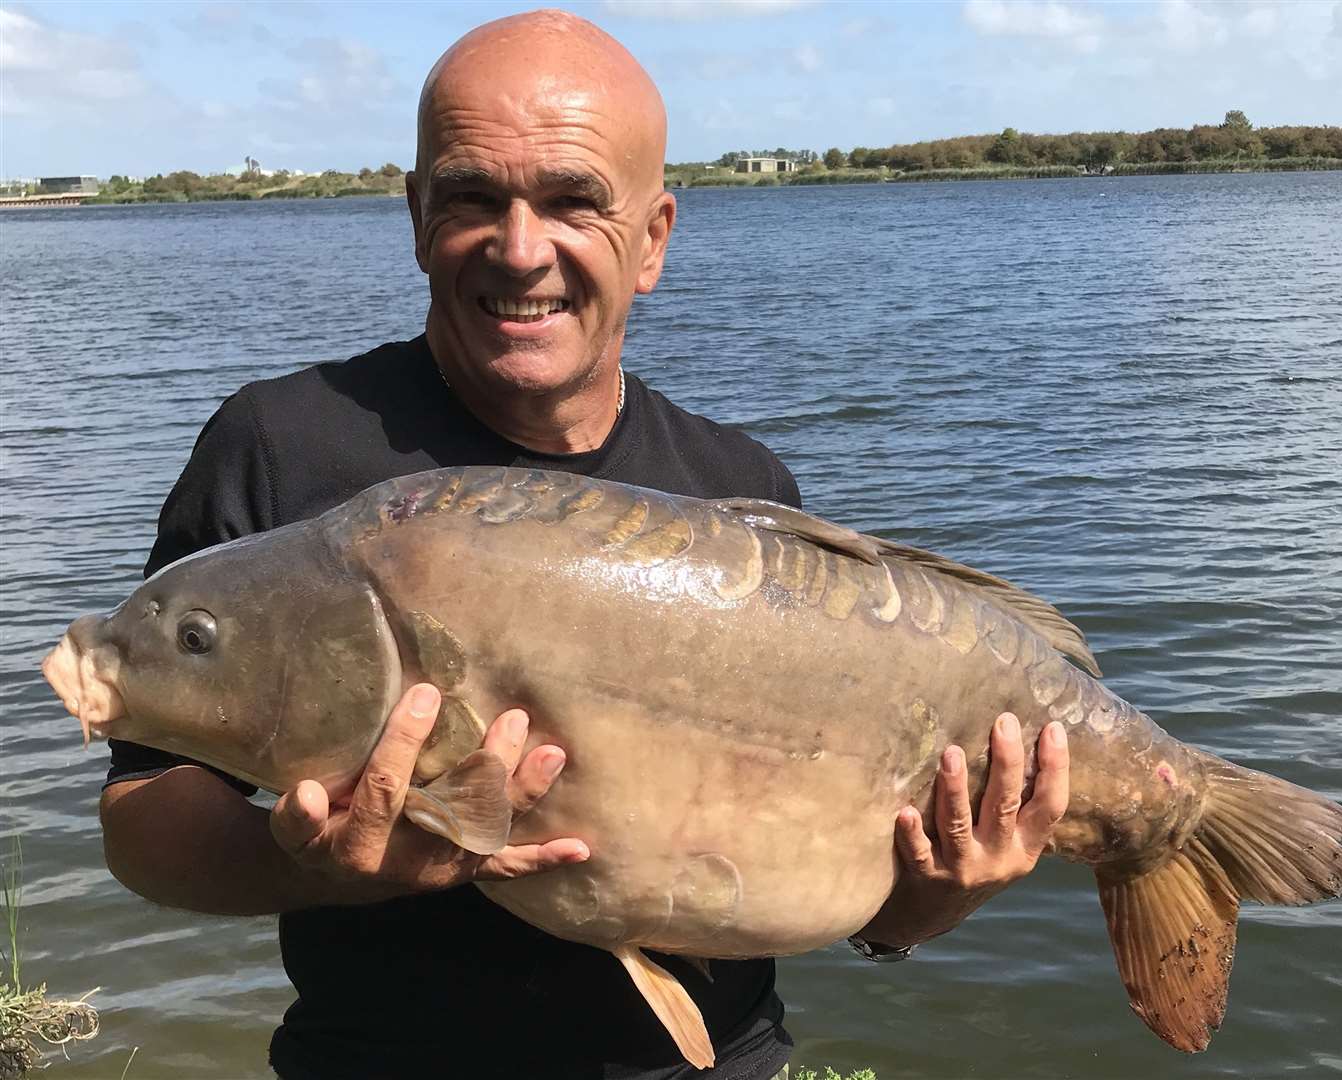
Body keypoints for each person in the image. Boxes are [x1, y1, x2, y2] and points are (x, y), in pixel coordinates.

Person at [99, 11, 1070, 1079]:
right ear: (417, 214)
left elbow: (860, 906)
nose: (522, 250)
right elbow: (146, 815)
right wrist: (327, 871)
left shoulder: (741, 490)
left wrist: (934, 899)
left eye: (570, 201)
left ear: (651, 237)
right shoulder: (281, 447)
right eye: (473, 197)